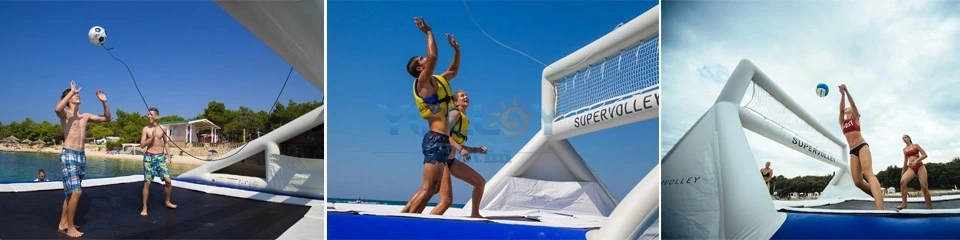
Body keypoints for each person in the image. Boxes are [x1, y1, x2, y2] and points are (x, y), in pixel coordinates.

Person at [399, 16, 468, 214]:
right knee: (429, 188)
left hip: (441, 141)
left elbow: (453, 71)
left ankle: (405, 216)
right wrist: (429, 32)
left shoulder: (437, 81)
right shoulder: (423, 83)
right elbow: (434, 58)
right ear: (420, 69)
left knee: (432, 188)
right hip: (435, 139)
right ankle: (407, 222)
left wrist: (457, 51)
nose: (426, 58)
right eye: (422, 59)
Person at [54, 80, 111, 237]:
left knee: (71, 193)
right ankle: (71, 228)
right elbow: (57, 108)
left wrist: (104, 102)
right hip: (69, 154)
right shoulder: (65, 114)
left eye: (77, 93)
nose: (77, 94)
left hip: (81, 156)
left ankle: (63, 223)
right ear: (68, 98)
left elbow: (107, 118)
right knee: (77, 192)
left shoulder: (85, 116)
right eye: (74, 94)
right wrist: (71, 92)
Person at [430, 90, 488, 218]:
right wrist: (461, 150)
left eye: (466, 95)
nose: (466, 96)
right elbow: (443, 134)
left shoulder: (463, 118)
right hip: (440, 160)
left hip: (451, 161)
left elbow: (456, 143)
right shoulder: (455, 113)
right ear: (455, 102)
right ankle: (423, 226)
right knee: (446, 201)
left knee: (480, 183)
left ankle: (475, 213)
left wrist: (476, 150)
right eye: (462, 96)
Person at [837, 84, 883, 210]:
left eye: (848, 108)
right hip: (853, 151)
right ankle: (877, 194)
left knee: (868, 173)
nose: (847, 108)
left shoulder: (856, 119)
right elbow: (841, 110)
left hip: (862, 146)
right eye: (846, 107)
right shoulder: (842, 122)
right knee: (857, 182)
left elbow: (853, 105)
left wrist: (846, 91)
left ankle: (880, 208)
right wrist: (842, 95)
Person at [139, 107, 178, 216]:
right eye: (148, 114)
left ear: (157, 116)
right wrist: (150, 140)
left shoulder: (163, 128)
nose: (148, 116)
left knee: (168, 181)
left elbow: (166, 143)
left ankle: (167, 201)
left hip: (161, 157)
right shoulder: (146, 129)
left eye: (151, 114)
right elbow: (142, 145)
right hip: (149, 158)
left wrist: (169, 156)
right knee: (147, 183)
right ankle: (144, 207)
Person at [896, 134, 932, 210]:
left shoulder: (915, 145)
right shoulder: (904, 149)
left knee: (924, 187)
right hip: (911, 167)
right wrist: (903, 169)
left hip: (920, 166)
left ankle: (929, 208)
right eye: (903, 138)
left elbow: (925, 155)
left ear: (909, 138)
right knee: (902, 182)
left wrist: (917, 160)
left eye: (905, 137)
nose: (904, 139)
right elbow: (905, 160)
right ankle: (904, 204)